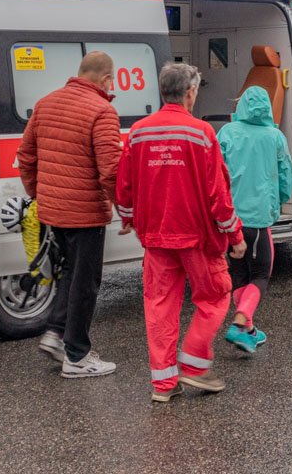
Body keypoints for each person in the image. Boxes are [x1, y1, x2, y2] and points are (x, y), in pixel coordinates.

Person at [116, 63, 247, 403]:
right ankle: (194, 362)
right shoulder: (202, 133)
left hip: (155, 237)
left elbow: (125, 186)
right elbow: (219, 194)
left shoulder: (139, 132)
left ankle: (163, 384)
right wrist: (235, 235)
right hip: (196, 238)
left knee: (159, 306)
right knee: (216, 295)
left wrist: (129, 218)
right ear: (190, 93)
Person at [17, 51, 122, 378]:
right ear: (105, 79)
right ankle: (77, 356)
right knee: (85, 282)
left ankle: (55, 335)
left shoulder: (46, 103)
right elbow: (110, 172)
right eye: (112, 80)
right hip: (85, 213)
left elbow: (26, 156)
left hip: (53, 211)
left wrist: (39, 193)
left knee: (68, 273)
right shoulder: (102, 111)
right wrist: (126, 208)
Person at [216, 86, 292, 353]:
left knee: (239, 275)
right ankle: (240, 323)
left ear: (242, 106)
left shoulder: (226, 133)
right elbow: (286, 177)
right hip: (259, 219)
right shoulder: (275, 136)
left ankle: (249, 331)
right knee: (261, 273)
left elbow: (215, 173)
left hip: (230, 220)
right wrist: (280, 200)